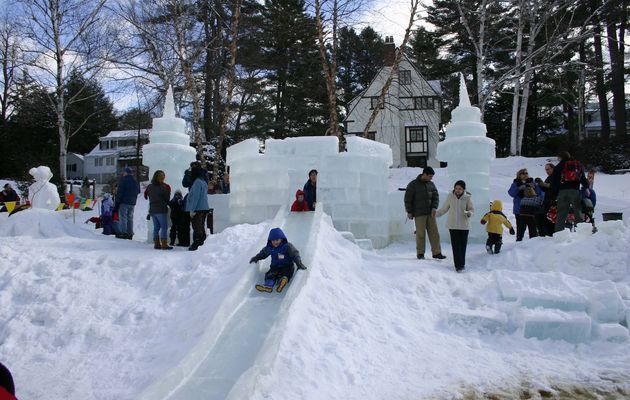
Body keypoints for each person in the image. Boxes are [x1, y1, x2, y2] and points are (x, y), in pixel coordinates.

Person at [404, 166, 446, 260]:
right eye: (430, 176)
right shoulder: (413, 184)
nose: (431, 178)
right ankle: (420, 253)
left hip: (431, 214)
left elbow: (436, 197)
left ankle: (437, 253)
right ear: (424, 174)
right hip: (419, 214)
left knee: (434, 233)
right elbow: (407, 199)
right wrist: (409, 211)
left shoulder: (431, 184)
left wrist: (434, 207)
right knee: (420, 234)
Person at [249, 227, 307, 293]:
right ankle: (268, 286)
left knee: (285, 273)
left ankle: (282, 282)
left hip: (287, 266)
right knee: (270, 274)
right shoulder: (270, 248)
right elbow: (263, 253)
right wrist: (256, 258)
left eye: (277, 240)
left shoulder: (287, 246)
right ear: (270, 241)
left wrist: (299, 263)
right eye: (273, 241)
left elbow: (294, 254)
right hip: (275, 266)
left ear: (281, 239)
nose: (275, 242)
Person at [436, 180, 473, 272]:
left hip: (464, 226)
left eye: (459, 189)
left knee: (462, 246)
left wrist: (469, 213)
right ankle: (458, 266)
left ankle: (462, 263)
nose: (457, 190)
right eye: (456, 188)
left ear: (463, 189)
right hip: (452, 225)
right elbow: (445, 208)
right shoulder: (450, 197)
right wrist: (437, 214)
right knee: (455, 246)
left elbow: (471, 209)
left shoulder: (467, 198)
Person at [550, 151, 589, 232]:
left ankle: (559, 233)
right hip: (575, 191)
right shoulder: (577, 165)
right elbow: (583, 178)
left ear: (560, 157)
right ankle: (580, 232)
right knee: (577, 212)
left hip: (562, 192)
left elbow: (554, 183)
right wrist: (586, 187)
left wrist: (553, 196)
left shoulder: (558, 167)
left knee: (561, 213)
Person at [508, 168, 542, 241]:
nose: (525, 174)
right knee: (520, 228)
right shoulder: (515, 183)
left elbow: (540, 193)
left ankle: (533, 242)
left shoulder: (532, 182)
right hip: (519, 209)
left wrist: (535, 187)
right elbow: (511, 193)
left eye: (526, 173)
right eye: (523, 173)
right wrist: (519, 188)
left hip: (531, 208)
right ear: (519, 175)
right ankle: (518, 242)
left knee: (533, 227)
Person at [144, 170, 172, 250]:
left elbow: (145, 196)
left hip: (152, 210)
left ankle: (156, 244)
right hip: (161, 209)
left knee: (156, 227)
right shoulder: (165, 187)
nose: (163, 177)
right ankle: (164, 244)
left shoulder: (149, 186)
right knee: (164, 227)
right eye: (162, 175)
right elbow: (167, 199)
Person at [185, 165, 210, 251]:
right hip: (204, 207)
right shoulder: (204, 181)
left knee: (197, 226)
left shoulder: (197, 182)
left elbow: (195, 197)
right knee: (201, 225)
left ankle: (197, 243)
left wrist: (192, 210)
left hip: (198, 208)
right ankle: (202, 242)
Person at [115, 167, 140, 240]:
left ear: (126, 172)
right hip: (132, 202)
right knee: (130, 217)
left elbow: (120, 192)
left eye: (124, 172)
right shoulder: (135, 181)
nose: (123, 173)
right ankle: (130, 233)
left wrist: (117, 202)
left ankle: (123, 232)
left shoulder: (123, 180)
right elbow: (138, 191)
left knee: (123, 217)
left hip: (124, 201)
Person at [535, 163, 555, 236]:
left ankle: (549, 234)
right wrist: (540, 184)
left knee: (550, 221)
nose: (547, 171)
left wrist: (543, 184)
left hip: (553, 202)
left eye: (548, 169)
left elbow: (552, 187)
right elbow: (545, 189)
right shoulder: (549, 177)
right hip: (547, 202)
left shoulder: (555, 177)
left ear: (553, 168)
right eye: (546, 170)